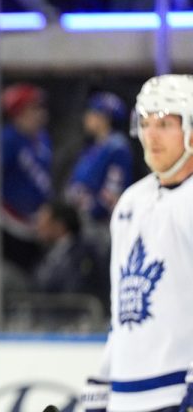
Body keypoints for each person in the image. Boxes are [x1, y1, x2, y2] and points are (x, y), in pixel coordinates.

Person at [80, 75, 193, 412]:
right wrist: (104, 378)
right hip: (125, 394)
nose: (151, 135)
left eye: (165, 124)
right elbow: (123, 305)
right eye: (145, 123)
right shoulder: (131, 202)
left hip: (175, 391)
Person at [0, 83, 52, 274]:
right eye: (34, 108)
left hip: (35, 224)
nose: (40, 113)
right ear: (18, 112)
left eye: (40, 107)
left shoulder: (42, 139)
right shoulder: (5, 139)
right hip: (8, 224)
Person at [65, 91, 133, 251]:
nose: (87, 117)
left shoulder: (117, 147)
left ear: (104, 118)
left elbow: (112, 193)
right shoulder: (94, 146)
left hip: (101, 227)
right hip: (83, 222)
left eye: (92, 113)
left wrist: (89, 209)